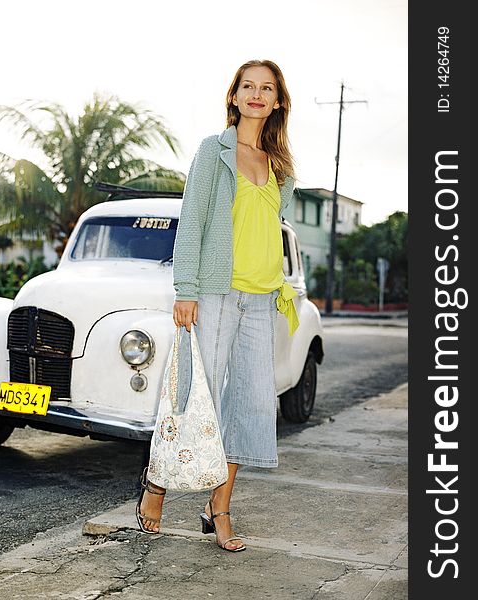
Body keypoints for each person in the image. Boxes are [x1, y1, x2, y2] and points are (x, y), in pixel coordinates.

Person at [136, 59, 298, 552]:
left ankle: (218, 510)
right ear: (234, 96)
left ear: (277, 101)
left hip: (261, 298)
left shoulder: (280, 164)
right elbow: (193, 221)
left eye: (266, 88)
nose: (256, 94)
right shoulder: (214, 152)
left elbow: (271, 228)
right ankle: (155, 490)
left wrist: (278, 288)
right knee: (190, 394)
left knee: (251, 407)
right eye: (248, 86)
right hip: (213, 293)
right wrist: (185, 289)